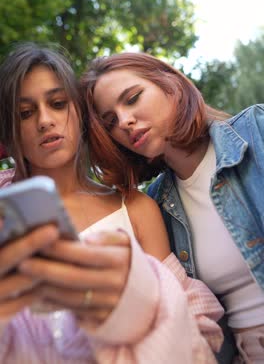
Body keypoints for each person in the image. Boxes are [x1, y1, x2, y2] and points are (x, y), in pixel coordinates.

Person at [0, 43, 224, 363]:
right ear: (10, 130)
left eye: (58, 103)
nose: (45, 120)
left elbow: (194, 322)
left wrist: (133, 298)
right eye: (25, 113)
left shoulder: (135, 208)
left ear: (79, 114)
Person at [82, 51, 264, 364]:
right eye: (110, 121)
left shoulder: (256, 131)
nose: (125, 121)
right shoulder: (155, 205)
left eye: (133, 98)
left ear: (171, 85)